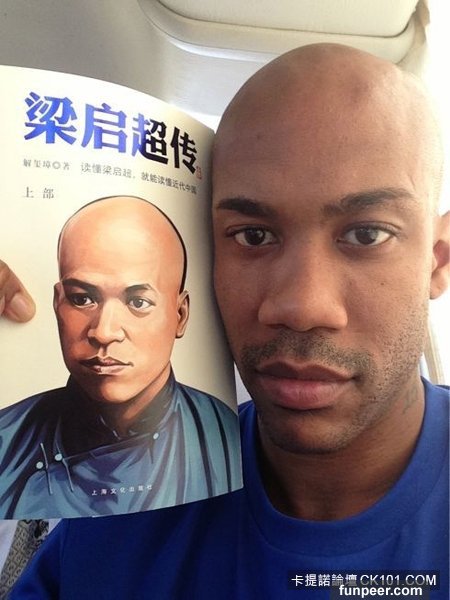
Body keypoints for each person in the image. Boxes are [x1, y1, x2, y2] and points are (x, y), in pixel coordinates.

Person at [4, 43, 450, 598]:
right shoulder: (128, 503)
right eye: (253, 236)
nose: (301, 307)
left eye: (367, 234)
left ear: (437, 261)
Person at [0, 196, 241, 520]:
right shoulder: (7, 441)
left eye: (138, 302)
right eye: (82, 298)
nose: (104, 332)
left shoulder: (227, 438)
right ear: (58, 303)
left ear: (180, 315)